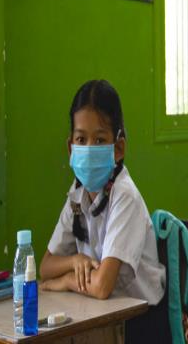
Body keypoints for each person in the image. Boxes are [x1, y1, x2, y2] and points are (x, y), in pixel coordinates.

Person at [40, 80, 165, 330]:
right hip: (102, 314)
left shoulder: (124, 196)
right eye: (81, 139)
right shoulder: (78, 195)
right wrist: (75, 260)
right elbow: (46, 267)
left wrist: (65, 281)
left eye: (99, 140)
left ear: (118, 148)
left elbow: (101, 286)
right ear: (70, 148)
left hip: (141, 322)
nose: (88, 148)